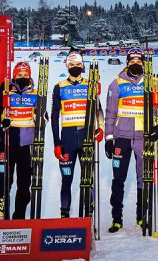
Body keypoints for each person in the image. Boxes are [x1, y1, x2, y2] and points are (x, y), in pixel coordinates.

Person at [105, 48, 158, 232]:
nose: (136, 64)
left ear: (144, 63)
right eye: (132, 61)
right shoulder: (116, 84)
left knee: (143, 178)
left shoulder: (152, 84)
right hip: (121, 137)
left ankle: (142, 216)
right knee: (119, 179)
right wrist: (109, 138)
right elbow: (110, 113)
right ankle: (117, 218)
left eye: (139, 61)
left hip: (143, 137)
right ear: (127, 62)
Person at [51, 50, 103, 219]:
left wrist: (100, 127)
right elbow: (54, 116)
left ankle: (89, 212)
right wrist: (56, 143)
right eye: (71, 65)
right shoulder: (59, 87)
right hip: (67, 138)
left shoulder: (90, 84)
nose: (75, 68)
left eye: (78, 65)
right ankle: (64, 214)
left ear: (83, 66)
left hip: (86, 136)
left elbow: (98, 109)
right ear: (67, 66)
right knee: (67, 179)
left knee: (88, 178)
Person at [0, 61, 37, 220]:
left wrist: (41, 118)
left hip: (26, 147)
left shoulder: (35, 94)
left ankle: (19, 217)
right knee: (4, 183)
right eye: (19, 75)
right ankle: (1, 216)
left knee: (24, 185)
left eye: (25, 75)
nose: (22, 78)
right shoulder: (4, 93)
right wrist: (0, 126)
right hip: (6, 146)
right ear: (14, 76)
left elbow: (42, 118)